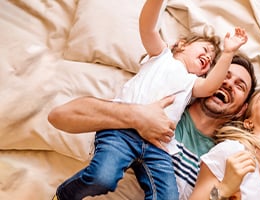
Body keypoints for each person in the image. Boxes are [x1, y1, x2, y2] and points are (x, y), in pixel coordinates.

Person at [51, 0, 248, 199]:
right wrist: (137, 116)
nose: (227, 83)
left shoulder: (220, 150)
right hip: (123, 134)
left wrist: (222, 191)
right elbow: (148, 27)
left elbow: (210, 85)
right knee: (103, 177)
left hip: (158, 148)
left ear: (243, 109)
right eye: (204, 50)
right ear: (180, 45)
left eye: (240, 86)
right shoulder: (162, 57)